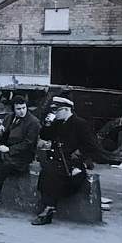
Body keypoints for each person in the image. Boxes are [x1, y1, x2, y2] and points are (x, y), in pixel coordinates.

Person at [32, 95, 96, 225]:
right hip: (58, 162)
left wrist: (77, 157)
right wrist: (48, 124)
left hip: (73, 165)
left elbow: (91, 146)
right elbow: (45, 136)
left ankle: (48, 208)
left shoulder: (80, 124)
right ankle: (47, 206)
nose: (54, 113)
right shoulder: (58, 123)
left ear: (66, 110)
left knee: (53, 174)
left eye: (57, 110)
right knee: (46, 173)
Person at [0, 95, 41, 216]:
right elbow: (3, 138)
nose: (22, 111)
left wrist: (9, 149)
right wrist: (0, 133)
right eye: (18, 108)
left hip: (22, 157)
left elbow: (28, 144)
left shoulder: (33, 122)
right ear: (14, 109)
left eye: (24, 108)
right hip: (7, 153)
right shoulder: (9, 118)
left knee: (1, 167)